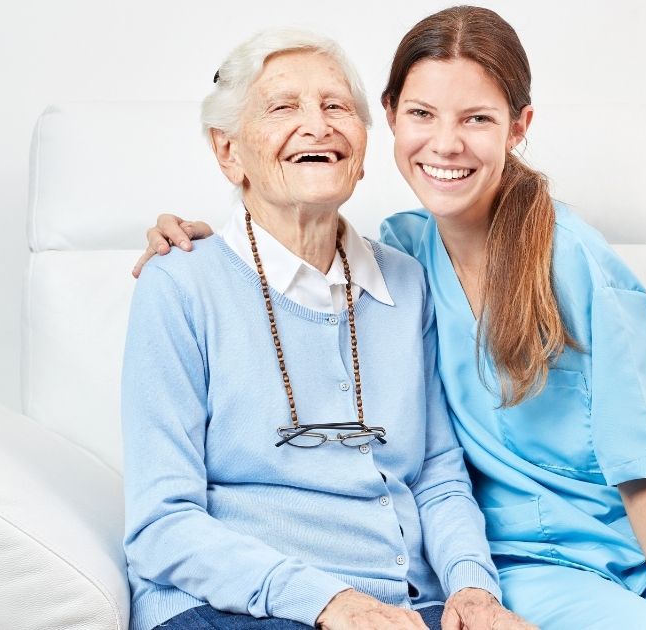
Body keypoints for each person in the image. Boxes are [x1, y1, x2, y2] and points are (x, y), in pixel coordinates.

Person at [134, 7, 646, 629]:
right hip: (519, 558)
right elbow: (164, 515)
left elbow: (624, 472)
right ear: (391, 121)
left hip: (627, 536)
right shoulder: (377, 257)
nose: (446, 143)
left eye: (334, 106)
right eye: (422, 114)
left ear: (517, 127)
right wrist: (197, 242)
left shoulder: (494, 265)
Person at [121, 28, 532, 630]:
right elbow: (161, 524)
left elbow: (439, 475)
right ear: (228, 151)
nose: (318, 126)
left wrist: (472, 588)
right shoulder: (181, 284)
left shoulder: (408, 283)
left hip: (400, 607)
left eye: (337, 106)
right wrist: (327, 602)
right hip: (232, 605)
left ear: (364, 150)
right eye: (283, 107)